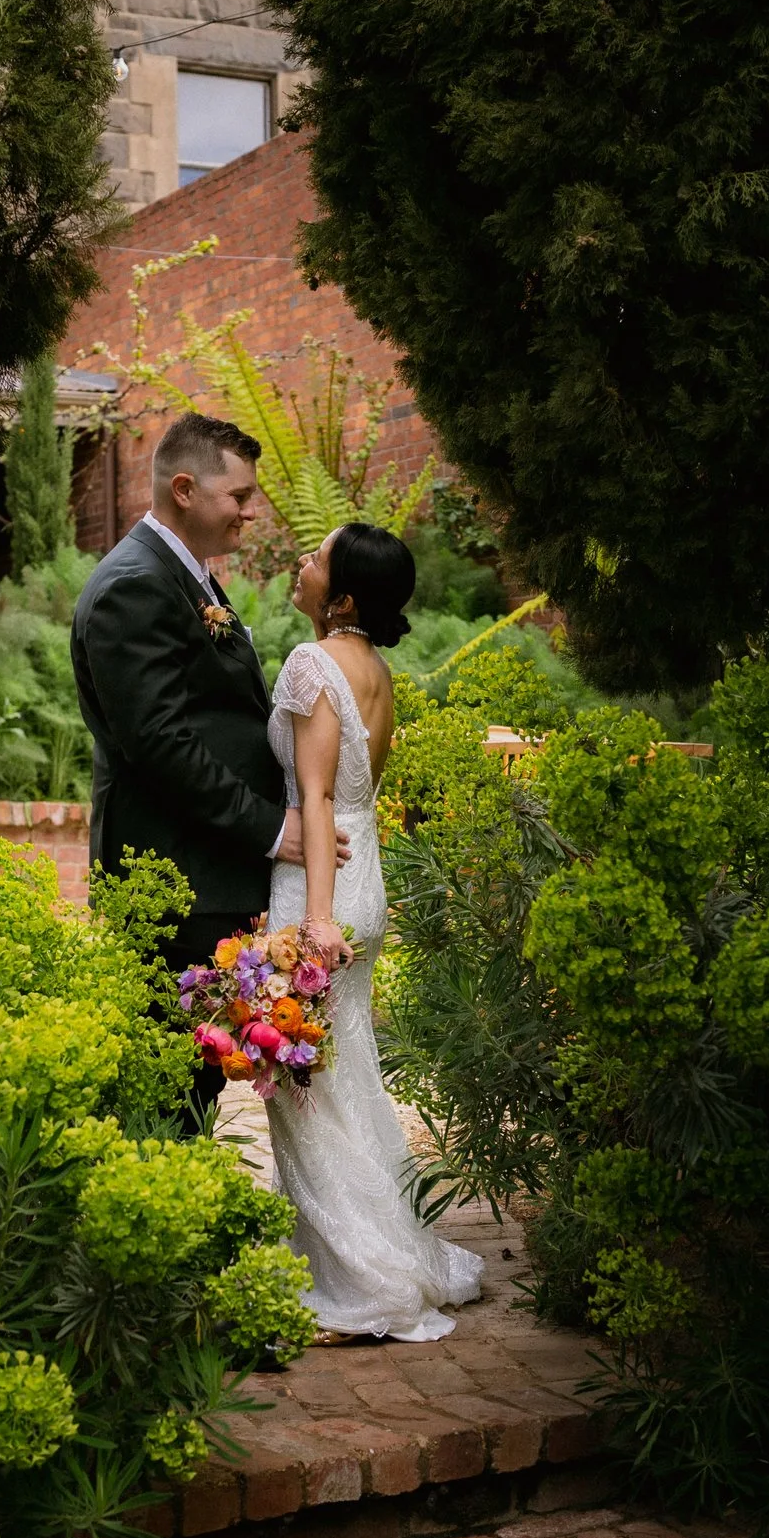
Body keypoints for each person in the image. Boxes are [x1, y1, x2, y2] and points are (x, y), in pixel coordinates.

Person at [70, 413, 347, 1124]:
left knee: (193, 1082)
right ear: (186, 489)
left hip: (204, 873)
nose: (249, 512)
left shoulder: (185, 578)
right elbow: (159, 743)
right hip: (173, 881)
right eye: (240, 496)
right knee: (171, 1088)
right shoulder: (135, 585)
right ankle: (156, 1221)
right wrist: (271, 828)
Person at [266, 522, 484, 1341]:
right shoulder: (378, 671)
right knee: (342, 1074)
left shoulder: (310, 662)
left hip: (319, 888)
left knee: (303, 1091)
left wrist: (316, 921)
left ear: (344, 597)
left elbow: (316, 799)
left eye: (316, 559)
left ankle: (365, 1274)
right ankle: (378, 1246)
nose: (301, 562)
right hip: (367, 879)